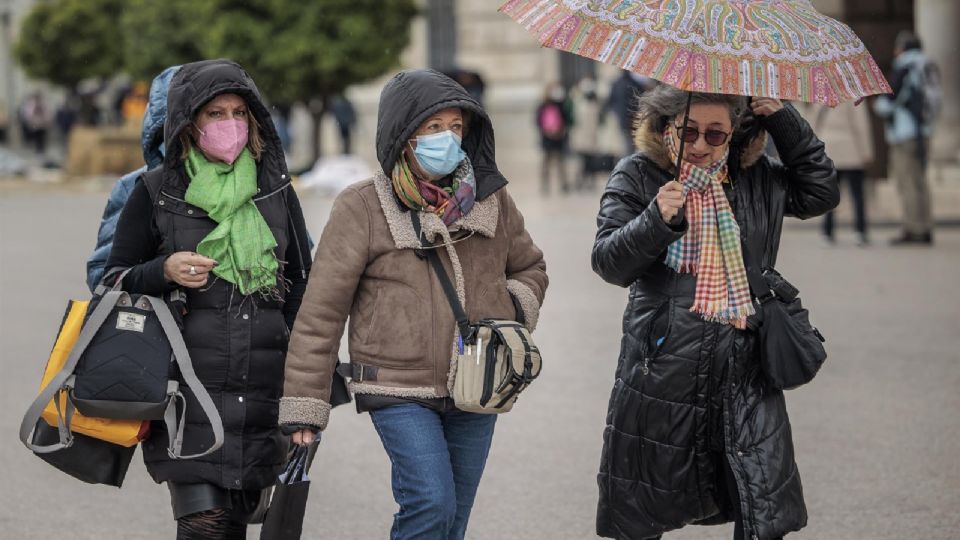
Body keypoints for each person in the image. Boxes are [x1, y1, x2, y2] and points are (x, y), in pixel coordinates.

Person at [279, 68, 548, 540]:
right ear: (404, 135)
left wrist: (510, 313)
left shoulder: (491, 198)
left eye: (456, 127)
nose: (447, 138)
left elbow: (531, 268)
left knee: (453, 520)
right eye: (433, 128)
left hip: (479, 386)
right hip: (397, 387)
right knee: (430, 503)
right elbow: (322, 311)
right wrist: (305, 406)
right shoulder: (361, 206)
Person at [592, 85, 838, 540]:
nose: (700, 145)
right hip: (662, 366)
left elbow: (821, 193)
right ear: (666, 128)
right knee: (644, 502)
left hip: (746, 364)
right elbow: (608, 263)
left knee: (761, 504)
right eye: (688, 132)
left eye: (715, 135)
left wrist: (784, 119)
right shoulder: (639, 175)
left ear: (733, 137)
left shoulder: (756, 176)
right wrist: (655, 221)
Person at [105, 59, 314, 539]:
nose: (230, 125)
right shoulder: (156, 192)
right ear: (188, 124)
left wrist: (304, 387)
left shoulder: (275, 192)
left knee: (236, 521)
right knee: (204, 524)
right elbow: (112, 280)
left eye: (239, 113)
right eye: (215, 113)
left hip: (261, 391)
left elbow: (304, 287)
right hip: (186, 392)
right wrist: (163, 270)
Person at [86, 65, 179, 292]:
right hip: (160, 324)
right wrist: (162, 271)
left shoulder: (255, 186)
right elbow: (102, 275)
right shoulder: (136, 187)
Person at [874, 30, 940, 245]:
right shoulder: (928, 65)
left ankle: (914, 229)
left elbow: (889, 102)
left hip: (905, 133)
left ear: (902, 48)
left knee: (907, 183)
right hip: (924, 131)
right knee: (920, 182)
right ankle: (925, 225)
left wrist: (880, 106)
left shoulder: (904, 66)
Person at [803, 101, 875, 246]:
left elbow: (812, 123)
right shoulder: (854, 96)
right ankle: (860, 231)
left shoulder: (822, 95)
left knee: (830, 193)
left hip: (828, 148)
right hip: (851, 148)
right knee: (857, 194)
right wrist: (867, 152)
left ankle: (827, 232)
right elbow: (861, 125)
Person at [536, 82, 573, 194]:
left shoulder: (561, 105)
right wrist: (547, 132)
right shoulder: (542, 106)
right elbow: (538, 121)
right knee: (546, 163)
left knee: (561, 162)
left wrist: (561, 132)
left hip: (559, 139)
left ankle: (564, 184)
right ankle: (545, 186)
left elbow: (567, 120)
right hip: (547, 139)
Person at [606, 70, 655, 155]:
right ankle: (631, 164)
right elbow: (641, 99)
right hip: (634, 118)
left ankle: (628, 163)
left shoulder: (616, 83)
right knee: (637, 145)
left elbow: (610, 102)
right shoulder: (634, 83)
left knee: (628, 145)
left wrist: (617, 113)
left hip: (622, 119)